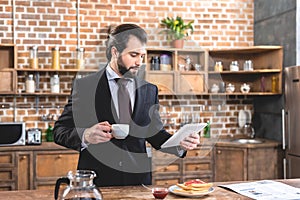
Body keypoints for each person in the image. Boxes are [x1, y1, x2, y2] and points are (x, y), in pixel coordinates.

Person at [53, 23, 200, 187]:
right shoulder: (86, 86)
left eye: (142, 56)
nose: (139, 62)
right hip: (97, 183)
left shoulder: (148, 90)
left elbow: (155, 134)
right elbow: (59, 131)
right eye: (134, 55)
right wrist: (86, 135)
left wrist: (179, 143)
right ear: (115, 51)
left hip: (138, 183)